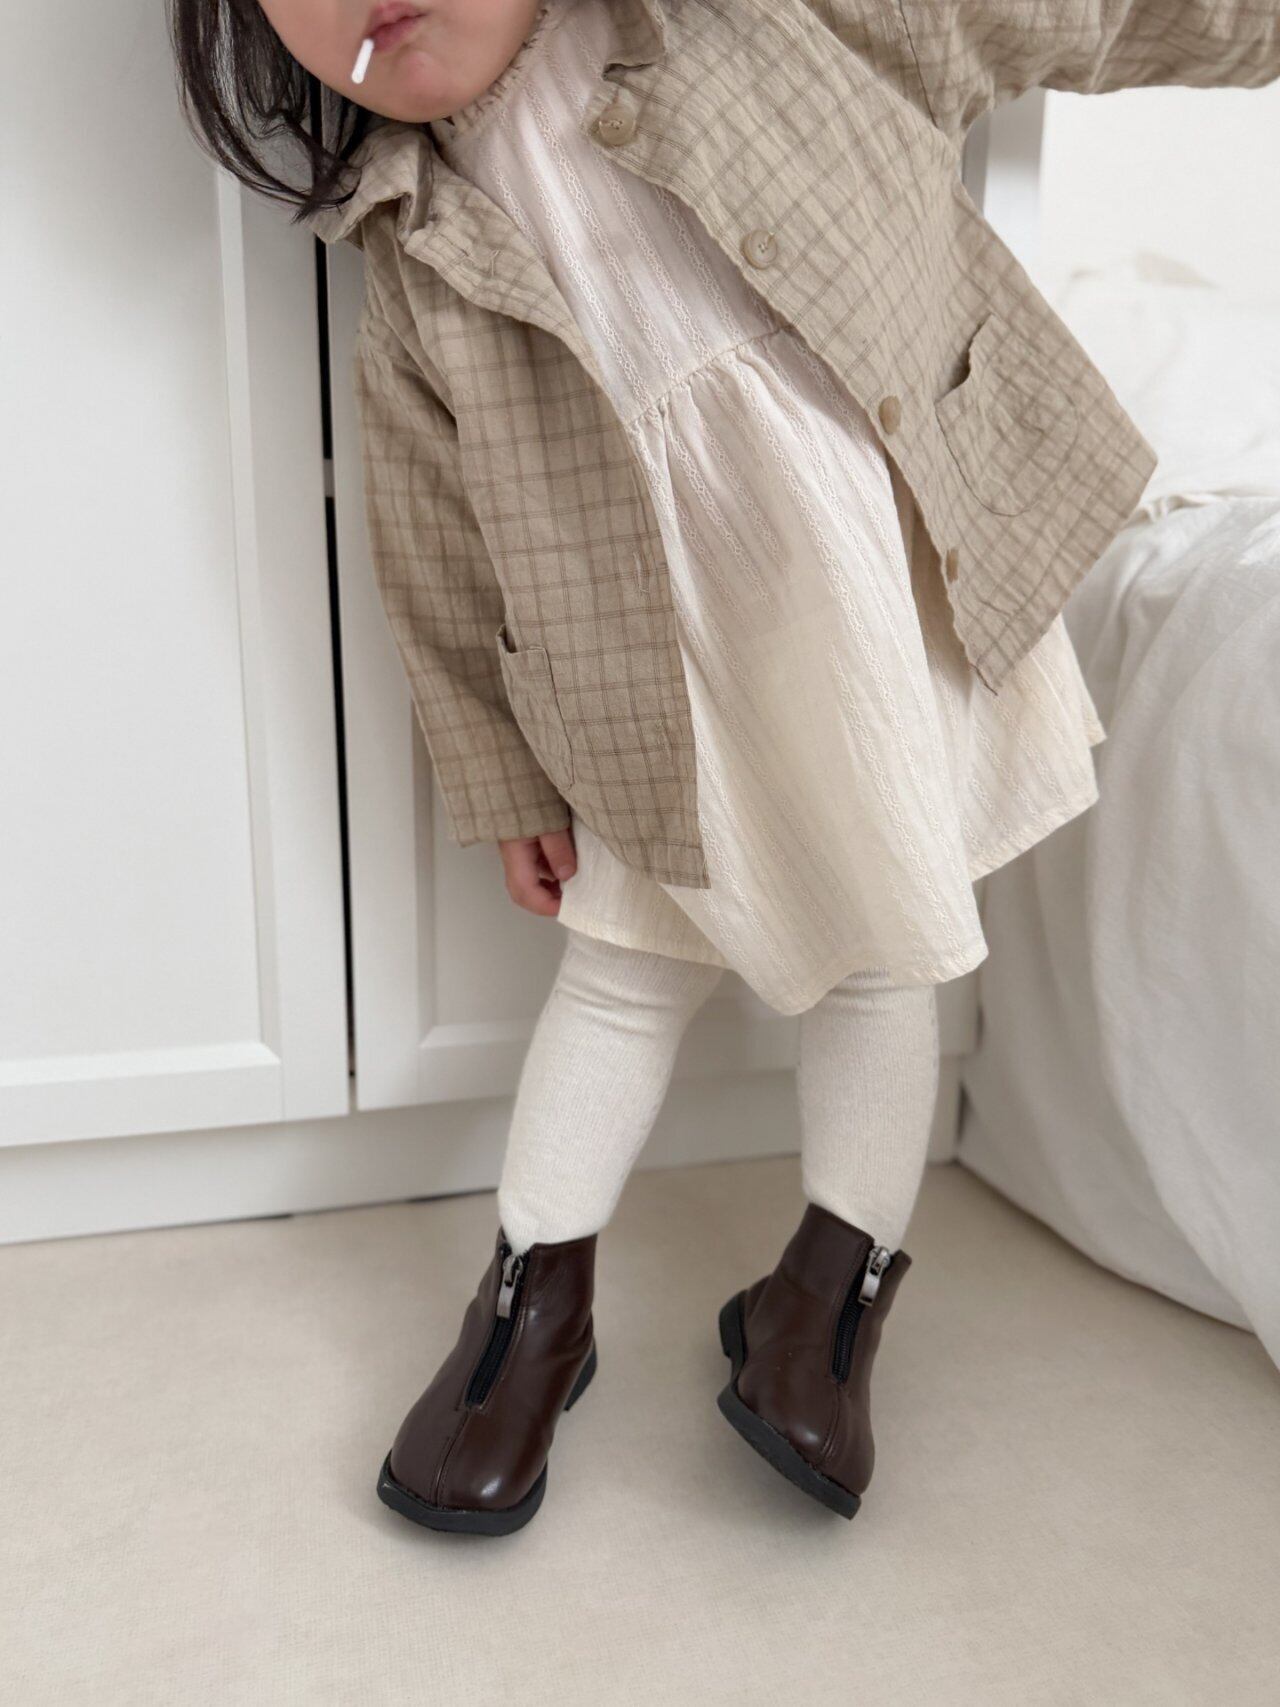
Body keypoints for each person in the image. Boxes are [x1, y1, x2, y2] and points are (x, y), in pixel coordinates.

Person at [168, 0, 1280, 1535]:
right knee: (623, 969)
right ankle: (530, 1315)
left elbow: (1056, 8)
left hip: (872, 599)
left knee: (888, 954)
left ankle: (826, 1304)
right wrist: (506, 785)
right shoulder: (412, 243)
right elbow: (432, 551)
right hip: (648, 672)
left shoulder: (760, 18)